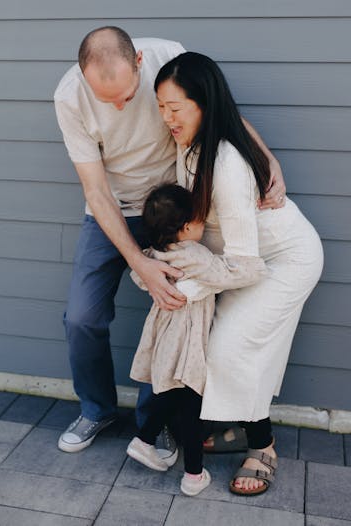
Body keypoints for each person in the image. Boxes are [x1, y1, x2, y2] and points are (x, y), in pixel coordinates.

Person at [53, 26, 287, 454]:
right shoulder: (69, 96)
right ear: (83, 76)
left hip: (176, 206)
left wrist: (265, 157)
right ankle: (96, 409)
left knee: (173, 313)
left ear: (140, 62)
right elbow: (95, 189)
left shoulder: (168, 56)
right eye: (107, 100)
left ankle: (154, 422)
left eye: (127, 95)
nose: (120, 106)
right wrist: (138, 261)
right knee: (82, 318)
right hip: (111, 208)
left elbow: (218, 111)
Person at [153, 52, 324, 496]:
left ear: (203, 104)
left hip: (283, 260)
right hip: (238, 263)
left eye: (175, 108)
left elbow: (248, 266)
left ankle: (263, 445)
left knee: (229, 349)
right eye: (160, 108)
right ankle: (236, 431)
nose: (166, 118)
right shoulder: (189, 141)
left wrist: (190, 284)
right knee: (212, 343)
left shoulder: (227, 164)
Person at [126, 183, 267, 496]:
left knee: (167, 394)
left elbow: (138, 277)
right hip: (188, 342)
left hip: (164, 336)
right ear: (188, 227)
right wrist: (257, 269)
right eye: (201, 220)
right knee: (191, 407)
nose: (205, 225)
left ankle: (145, 440)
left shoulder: (156, 253)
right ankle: (192, 475)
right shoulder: (195, 254)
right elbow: (224, 275)